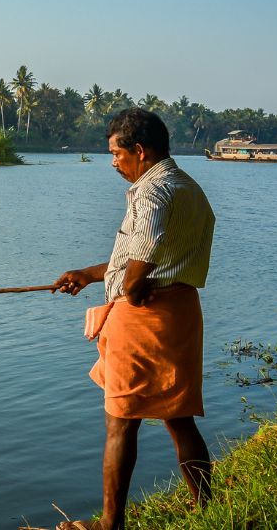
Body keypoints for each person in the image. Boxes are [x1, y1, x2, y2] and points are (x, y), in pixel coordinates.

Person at [52, 108, 216, 530]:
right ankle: (210, 510)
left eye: (115, 153)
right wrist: (88, 275)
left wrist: (129, 287)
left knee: (120, 422)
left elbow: (139, 266)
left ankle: (111, 524)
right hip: (179, 313)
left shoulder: (151, 192)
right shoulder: (189, 187)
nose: (113, 161)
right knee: (179, 418)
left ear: (139, 151)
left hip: (143, 317)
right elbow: (146, 254)